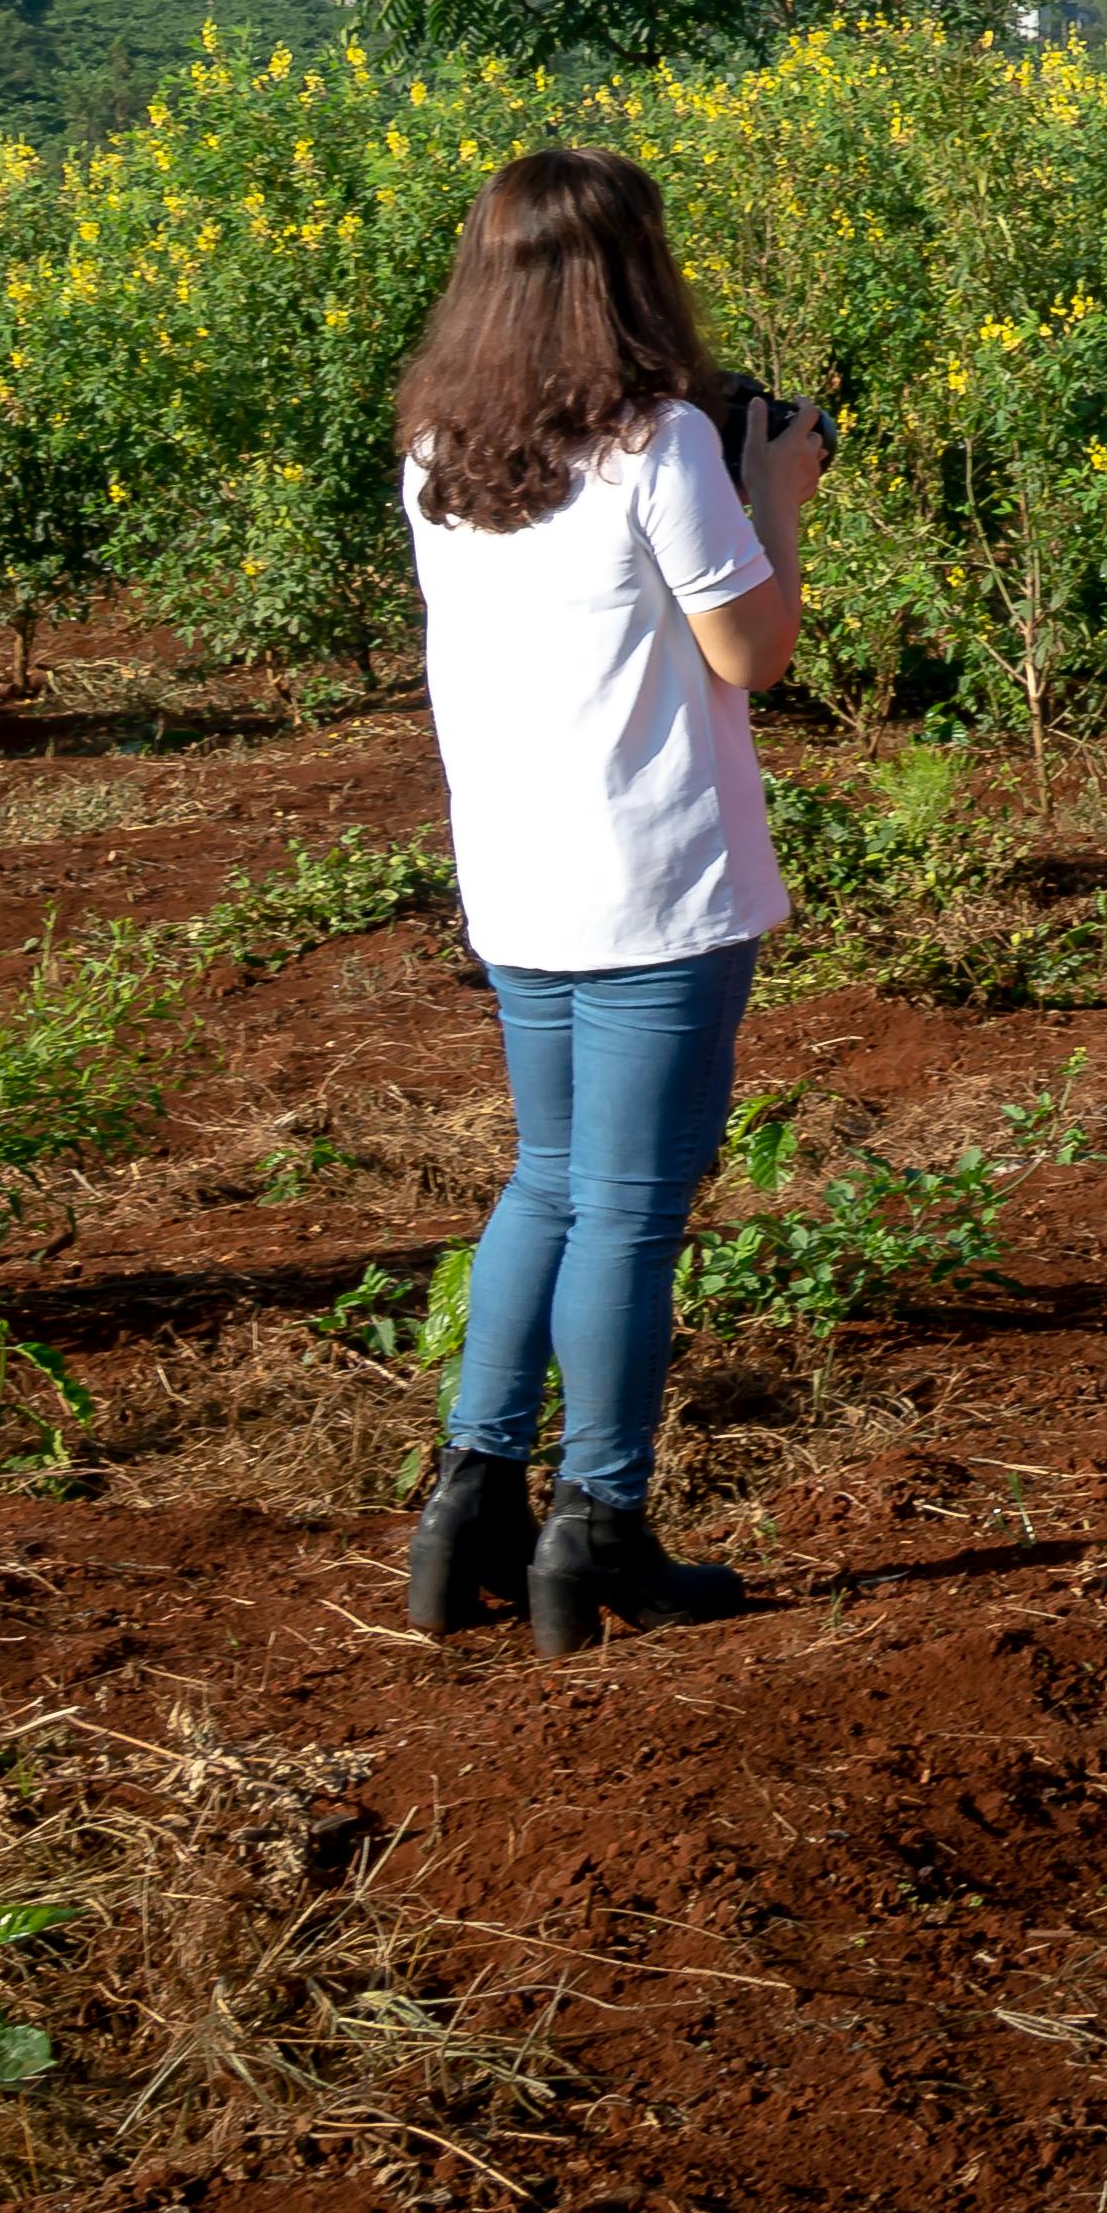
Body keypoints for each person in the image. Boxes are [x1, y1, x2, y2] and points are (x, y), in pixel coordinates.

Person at [385, 146, 824, 1657]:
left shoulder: (438, 448)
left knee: (549, 1179)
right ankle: (602, 1524)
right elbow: (751, 652)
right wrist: (775, 495)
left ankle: (470, 1501)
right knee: (632, 1213)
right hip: (653, 881)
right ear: (636, 273)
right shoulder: (658, 447)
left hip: (518, 873)